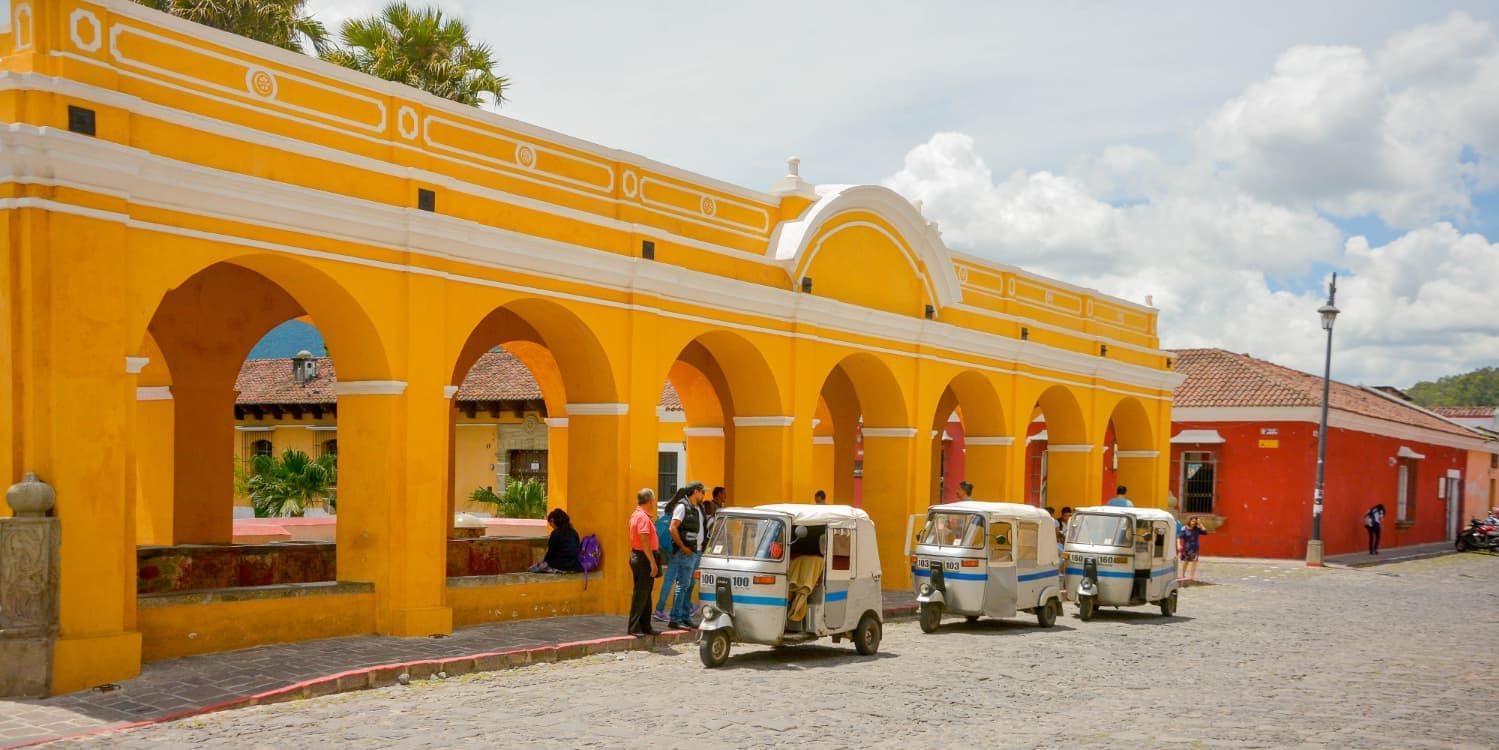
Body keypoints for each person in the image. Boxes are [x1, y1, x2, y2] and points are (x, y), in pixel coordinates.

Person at [665, 481, 708, 630]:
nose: (704, 495)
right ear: (695, 491)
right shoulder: (682, 507)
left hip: (697, 552)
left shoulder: (699, 508)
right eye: (703, 492)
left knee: (690, 585)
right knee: (682, 585)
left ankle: (684, 616)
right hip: (687, 553)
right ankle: (675, 618)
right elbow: (673, 528)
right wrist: (683, 547)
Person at [653, 487, 690, 623]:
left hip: (666, 548)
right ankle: (667, 609)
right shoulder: (683, 508)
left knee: (672, 579)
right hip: (677, 548)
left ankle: (660, 609)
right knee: (683, 580)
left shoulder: (669, 506)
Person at [627, 488, 661, 637]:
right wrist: (652, 562)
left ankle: (645, 625)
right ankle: (634, 627)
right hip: (644, 558)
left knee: (646, 593)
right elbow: (644, 540)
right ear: (650, 501)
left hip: (641, 556)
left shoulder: (637, 515)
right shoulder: (642, 518)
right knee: (641, 594)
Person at [527, 508, 582, 573]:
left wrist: (545, 563)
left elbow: (551, 552)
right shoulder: (573, 532)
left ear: (552, 520)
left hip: (560, 565)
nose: (551, 526)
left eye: (550, 523)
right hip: (573, 565)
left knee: (531, 569)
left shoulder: (556, 533)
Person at [1177, 516, 1209, 582]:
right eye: (1193, 521)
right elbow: (1179, 537)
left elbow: (1206, 532)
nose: (1193, 523)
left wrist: (1200, 524)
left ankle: (1192, 576)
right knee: (1186, 562)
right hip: (1187, 548)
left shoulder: (1197, 529)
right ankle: (1183, 575)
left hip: (1195, 548)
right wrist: (1179, 544)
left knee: (1194, 562)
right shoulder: (1184, 529)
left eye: (1195, 522)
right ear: (1190, 521)